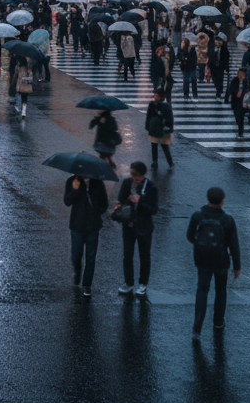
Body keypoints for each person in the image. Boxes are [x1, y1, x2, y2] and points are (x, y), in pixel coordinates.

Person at [186, 186, 241, 338]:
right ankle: (218, 321)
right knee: (221, 290)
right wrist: (237, 266)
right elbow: (234, 244)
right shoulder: (227, 220)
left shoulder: (198, 216)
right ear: (222, 201)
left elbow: (190, 236)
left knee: (202, 289)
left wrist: (200, 244)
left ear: (208, 199)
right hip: (221, 260)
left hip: (202, 259)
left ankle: (197, 326)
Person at [112, 161, 158, 297]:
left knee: (144, 256)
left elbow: (154, 210)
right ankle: (128, 282)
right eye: (131, 173)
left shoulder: (151, 187)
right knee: (127, 255)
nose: (133, 177)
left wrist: (140, 201)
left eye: (135, 175)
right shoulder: (127, 182)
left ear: (142, 174)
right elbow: (121, 198)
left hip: (144, 226)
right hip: (129, 224)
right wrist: (128, 200)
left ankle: (143, 283)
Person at [63, 174, 108, 297]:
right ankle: (77, 273)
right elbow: (67, 201)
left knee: (91, 257)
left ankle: (87, 284)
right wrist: (75, 190)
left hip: (93, 226)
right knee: (76, 255)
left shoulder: (98, 183)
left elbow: (104, 204)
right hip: (77, 225)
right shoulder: (72, 181)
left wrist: (95, 210)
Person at [144, 88, 174, 169]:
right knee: (154, 146)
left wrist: (169, 128)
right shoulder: (152, 105)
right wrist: (148, 127)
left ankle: (170, 162)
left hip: (162, 129)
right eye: (155, 95)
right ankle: (155, 162)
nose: (155, 97)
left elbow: (170, 118)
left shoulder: (166, 106)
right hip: (154, 128)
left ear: (161, 96)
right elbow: (148, 116)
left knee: (164, 146)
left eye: (157, 96)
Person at [226, 67, 249, 137]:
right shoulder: (235, 80)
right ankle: (240, 128)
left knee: (241, 117)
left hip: (243, 101)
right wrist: (227, 98)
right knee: (237, 116)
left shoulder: (247, 81)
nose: (239, 75)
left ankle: (240, 132)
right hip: (235, 101)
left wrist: (242, 92)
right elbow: (230, 89)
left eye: (241, 73)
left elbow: (249, 89)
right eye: (238, 73)